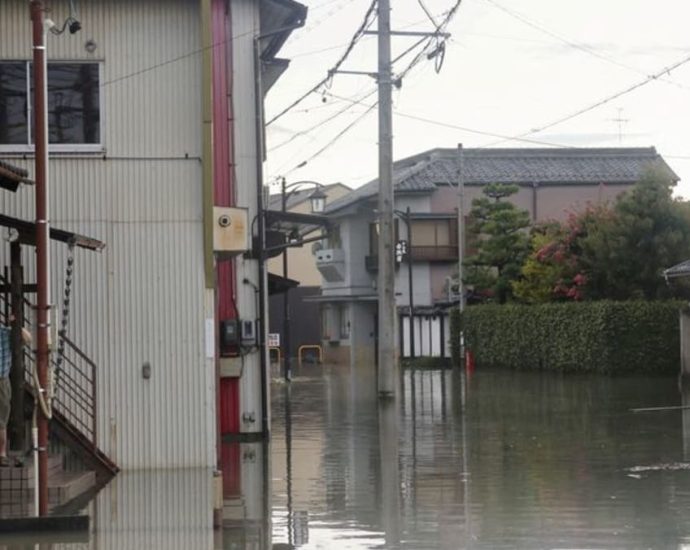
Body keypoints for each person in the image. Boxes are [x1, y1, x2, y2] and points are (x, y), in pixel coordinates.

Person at [0, 316, 31, 467]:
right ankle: (2, 454)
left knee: (2, 418)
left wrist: (15, 325)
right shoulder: (6, 334)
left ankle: (2, 454)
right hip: (3, 380)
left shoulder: (6, 333)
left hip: (2, 380)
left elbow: (27, 338)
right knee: (2, 418)